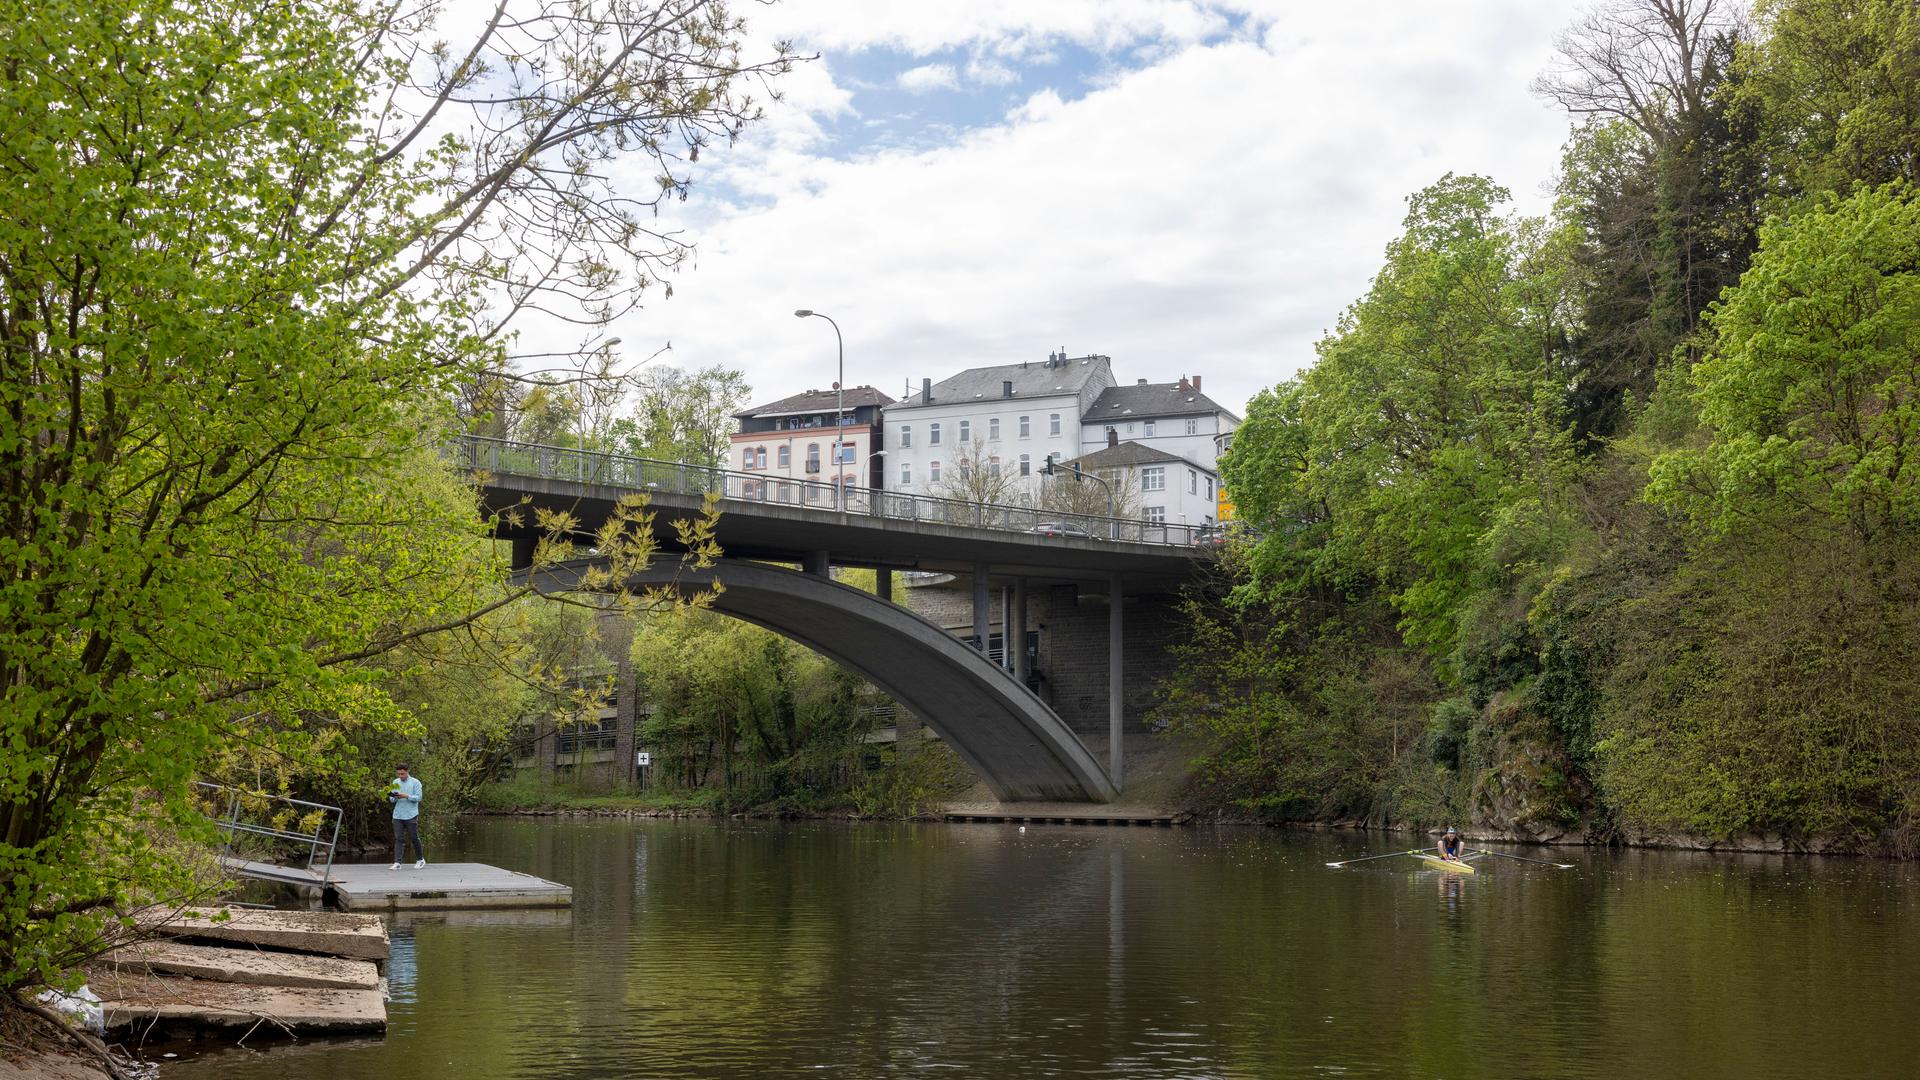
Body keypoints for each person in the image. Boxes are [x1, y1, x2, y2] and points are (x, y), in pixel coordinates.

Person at [388, 763, 425, 870]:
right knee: (398, 838)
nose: (401, 776)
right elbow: (392, 800)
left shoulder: (415, 782)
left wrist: (406, 796)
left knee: (414, 838)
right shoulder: (395, 782)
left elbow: (419, 798)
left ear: (407, 771)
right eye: (399, 774)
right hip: (398, 815)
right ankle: (397, 863)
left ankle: (420, 859)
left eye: (402, 774)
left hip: (411, 814)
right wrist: (393, 796)